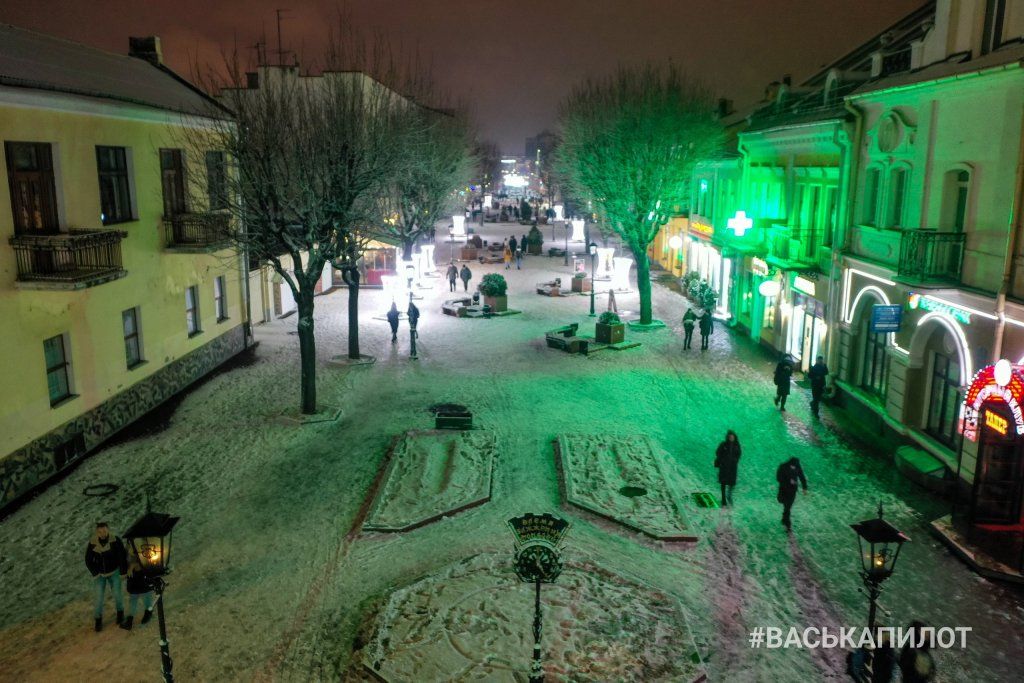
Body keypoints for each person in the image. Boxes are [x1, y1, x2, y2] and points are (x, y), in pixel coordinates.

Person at [85, 521, 127, 631]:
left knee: (117, 594)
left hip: (114, 572)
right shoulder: (93, 543)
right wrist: (95, 572)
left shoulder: (116, 540)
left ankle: (120, 613)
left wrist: (123, 572)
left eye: (104, 530)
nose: (102, 533)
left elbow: (122, 556)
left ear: (108, 529)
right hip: (100, 575)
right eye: (100, 532)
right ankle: (98, 620)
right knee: (98, 598)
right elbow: (88, 560)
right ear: (97, 532)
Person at [119, 550, 154, 631]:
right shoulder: (130, 548)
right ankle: (130, 620)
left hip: (143, 578)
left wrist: (134, 565)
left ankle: (147, 613)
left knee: (145, 597)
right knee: (134, 599)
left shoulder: (140, 548)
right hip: (136, 580)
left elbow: (147, 560)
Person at [775, 457, 808, 531]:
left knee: (788, 506)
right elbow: (778, 477)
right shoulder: (783, 466)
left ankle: (787, 522)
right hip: (783, 489)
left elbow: (802, 476)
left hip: (792, 491)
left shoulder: (797, 467)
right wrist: (788, 481)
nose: (794, 467)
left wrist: (804, 487)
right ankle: (785, 519)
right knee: (783, 502)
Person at [714, 430, 741, 506]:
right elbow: (717, 452)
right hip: (724, 467)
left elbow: (739, 454)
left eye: (733, 437)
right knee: (723, 483)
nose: (731, 438)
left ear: (735, 437)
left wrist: (735, 460)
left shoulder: (737, 445)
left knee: (731, 483)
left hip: (732, 468)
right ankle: (723, 500)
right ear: (728, 437)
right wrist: (723, 459)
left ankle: (729, 496)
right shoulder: (724, 444)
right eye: (730, 437)